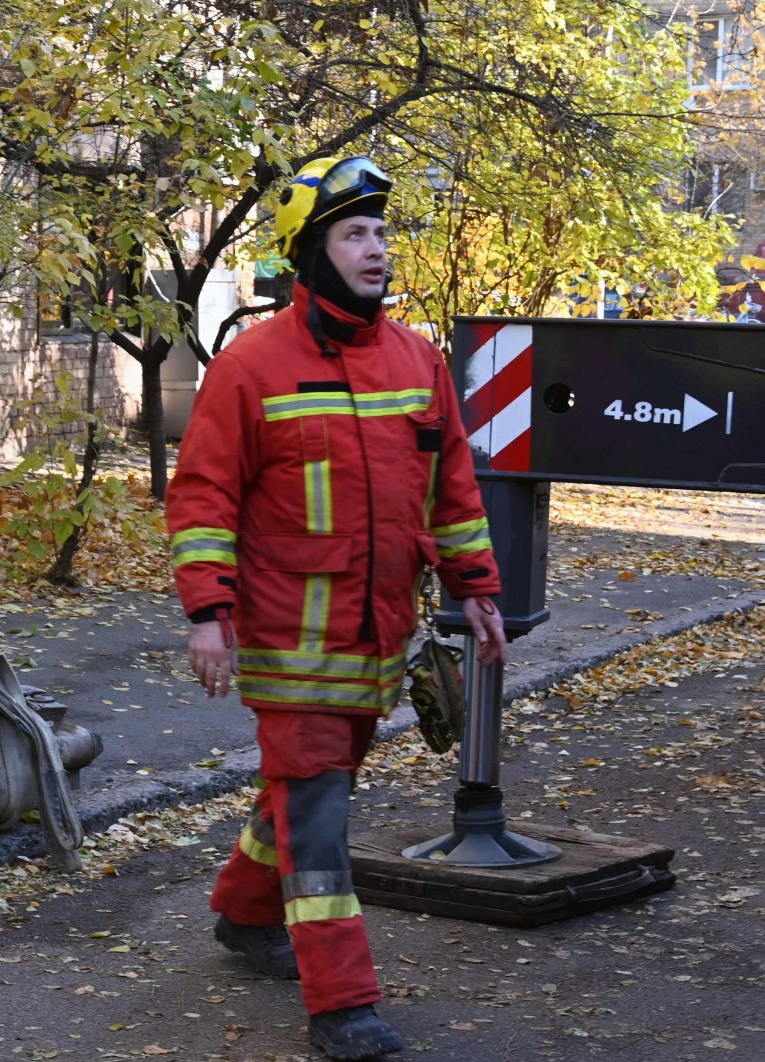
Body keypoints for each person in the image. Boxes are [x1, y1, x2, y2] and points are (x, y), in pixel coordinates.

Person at [165, 156, 508, 1061]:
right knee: (320, 813)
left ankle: (243, 914)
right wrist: (208, 611)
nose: (377, 249)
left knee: (310, 790)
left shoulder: (416, 360)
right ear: (310, 252)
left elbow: (454, 491)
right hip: (287, 644)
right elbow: (201, 496)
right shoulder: (251, 368)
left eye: (382, 233)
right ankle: (342, 1003)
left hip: (378, 641)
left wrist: (477, 589)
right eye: (355, 233)